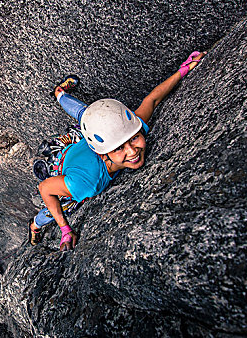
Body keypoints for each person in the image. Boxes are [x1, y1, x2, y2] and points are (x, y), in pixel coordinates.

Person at [30, 51, 207, 251]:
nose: (133, 151)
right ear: (103, 154)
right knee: (56, 209)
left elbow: (152, 100)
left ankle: (59, 92)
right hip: (63, 164)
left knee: (90, 116)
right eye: (119, 148)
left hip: (81, 147)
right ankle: (34, 226)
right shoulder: (88, 183)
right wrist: (65, 229)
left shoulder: (128, 129)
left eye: (134, 139)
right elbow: (45, 188)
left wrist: (183, 70)